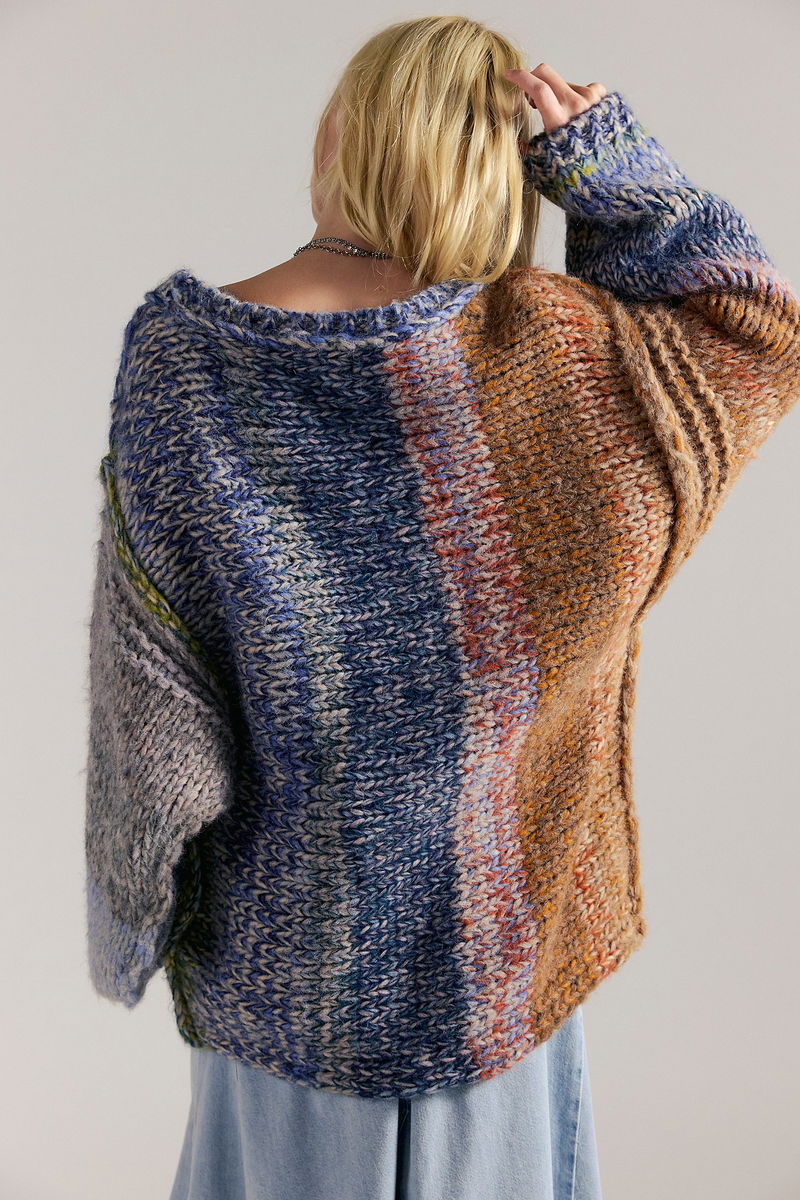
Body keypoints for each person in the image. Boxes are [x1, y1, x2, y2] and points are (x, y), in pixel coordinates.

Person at [83, 16, 799, 1200]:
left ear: (341, 133)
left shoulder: (186, 362)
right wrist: (616, 175)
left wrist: (132, 917)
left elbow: (155, 713)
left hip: (288, 988)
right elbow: (750, 329)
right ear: (500, 168)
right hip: (505, 971)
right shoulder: (561, 358)